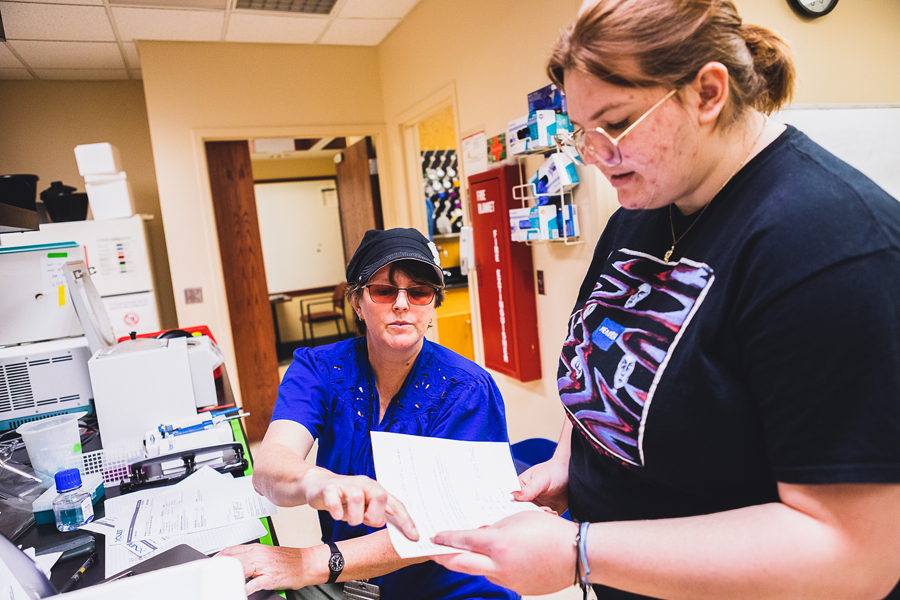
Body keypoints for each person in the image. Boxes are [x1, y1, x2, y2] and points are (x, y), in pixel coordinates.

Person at [429, 2, 900, 599]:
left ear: (706, 93)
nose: (595, 155)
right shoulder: (649, 202)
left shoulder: (833, 249)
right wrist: (571, 460)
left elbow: (854, 555)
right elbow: (600, 357)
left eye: (617, 123)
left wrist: (579, 553)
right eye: (582, 130)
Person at [220, 228, 519, 600]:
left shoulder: (466, 389)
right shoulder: (319, 368)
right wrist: (315, 480)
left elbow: (440, 529)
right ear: (357, 302)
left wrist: (311, 562)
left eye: (419, 291)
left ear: (432, 305)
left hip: (447, 586)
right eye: (383, 290)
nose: (401, 304)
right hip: (351, 582)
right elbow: (270, 466)